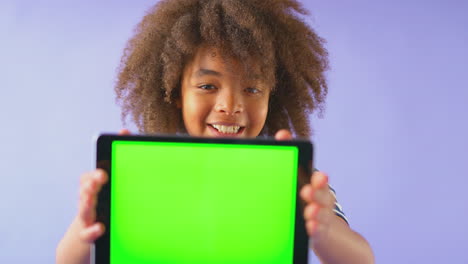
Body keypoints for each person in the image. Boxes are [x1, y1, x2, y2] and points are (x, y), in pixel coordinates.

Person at [56, 0, 374, 263]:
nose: (230, 105)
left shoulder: (293, 180)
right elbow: (67, 259)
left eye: (252, 88)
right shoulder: (143, 174)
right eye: (208, 85)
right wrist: (88, 223)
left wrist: (323, 229)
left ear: (272, 97)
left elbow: (360, 259)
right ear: (175, 93)